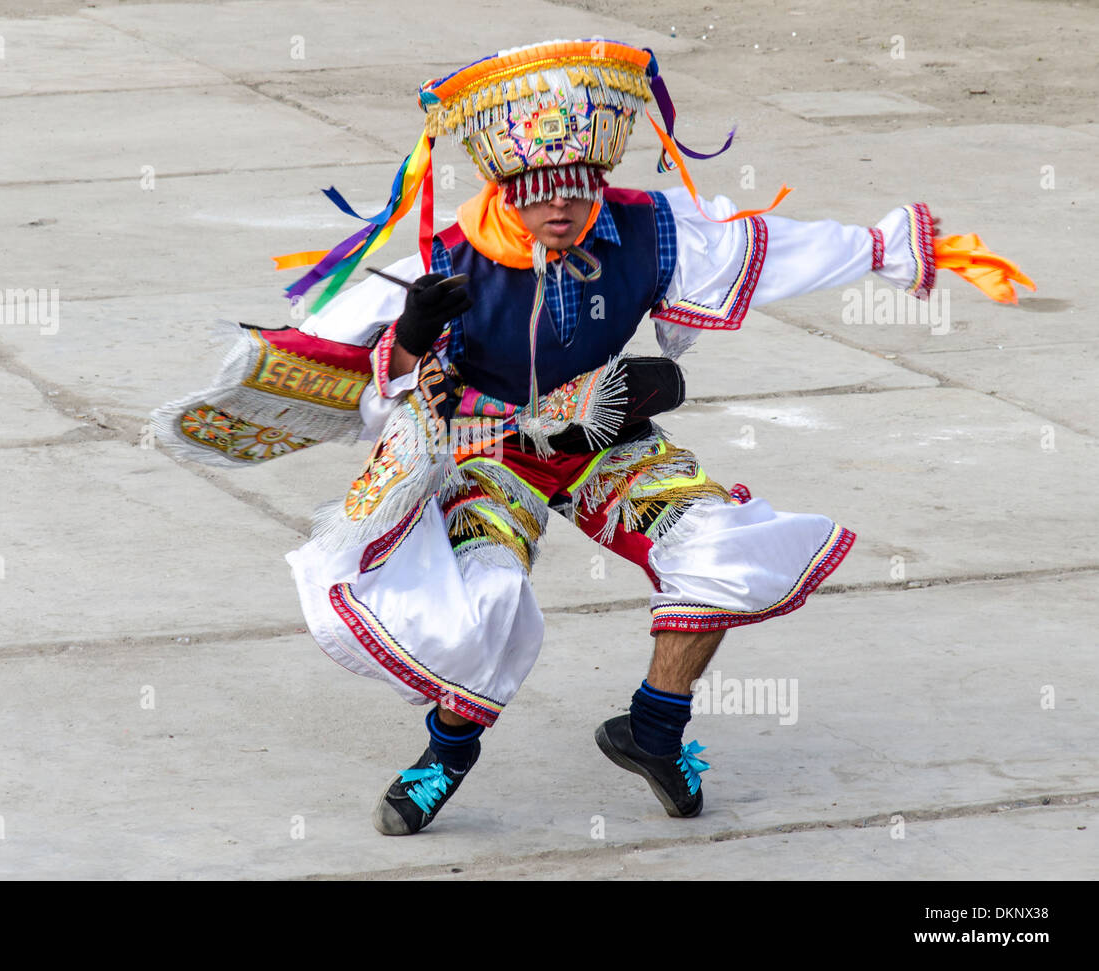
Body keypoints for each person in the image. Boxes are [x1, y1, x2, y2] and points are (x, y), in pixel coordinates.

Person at [152, 38, 1033, 836]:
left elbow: (763, 246)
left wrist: (892, 249)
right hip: (484, 449)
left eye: (575, 194)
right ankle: (444, 757)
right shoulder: (443, 256)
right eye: (538, 197)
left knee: (725, 545)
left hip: (606, 440)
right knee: (486, 597)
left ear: (597, 187)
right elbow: (369, 380)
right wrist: (416, 335)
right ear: (504, 189)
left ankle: (654, 726)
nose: (559, 214)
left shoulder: (651, 230)